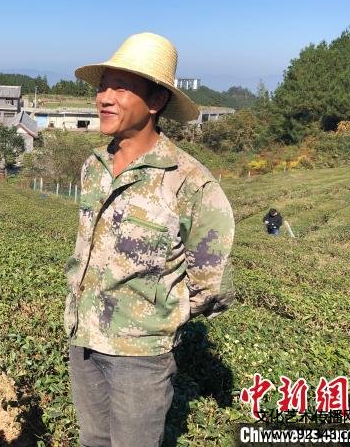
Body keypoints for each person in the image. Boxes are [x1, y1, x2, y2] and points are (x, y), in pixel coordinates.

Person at [64, 32, 236, 446]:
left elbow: (211, 284)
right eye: (103, 85)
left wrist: (154, 317)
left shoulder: (191, 183)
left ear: (156, 101)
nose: (104, 97)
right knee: (92, 441)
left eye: (121, 87)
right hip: (82, 339)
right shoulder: (94, 165)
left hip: (140, 358)